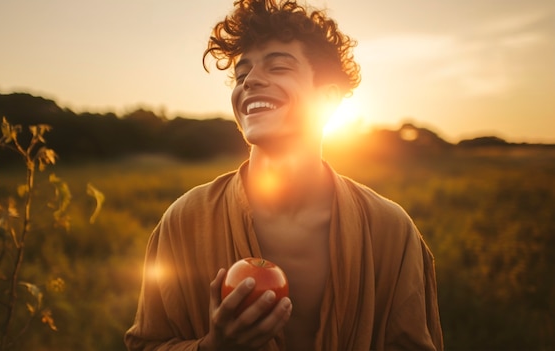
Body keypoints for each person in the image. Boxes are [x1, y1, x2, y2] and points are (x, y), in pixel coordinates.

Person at [124, 0, 444, 350]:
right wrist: (214, 347)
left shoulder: (391, 230)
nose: (251, 81)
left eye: (278, 67)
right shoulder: (184, 221)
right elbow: (146, 345)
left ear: (328, 99)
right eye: (241, 74)